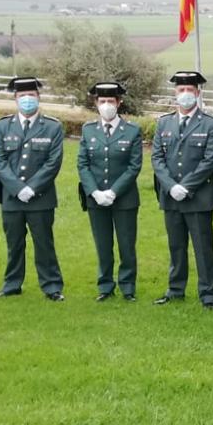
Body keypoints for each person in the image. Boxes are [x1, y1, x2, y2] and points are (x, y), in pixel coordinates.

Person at [150, 71, 213, 309]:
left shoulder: (211, 124)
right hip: (171, 197)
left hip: (199, 197)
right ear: (175, 93)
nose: (185, 94)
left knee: (203, 248)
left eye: (189, 90)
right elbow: (157, 158)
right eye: (181, 90)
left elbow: (210, 161)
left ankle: (209, 294)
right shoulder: (164, 122)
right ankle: (175, 289)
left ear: (198, 93)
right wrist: (171, 187)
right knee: (176, 246)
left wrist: (186, 186)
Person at [0, 77, 65, 301]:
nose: (27, 100)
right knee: (14, 243)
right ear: (15, 98)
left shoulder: (52, 126)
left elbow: (53, 162)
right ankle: (12, 284)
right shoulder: (3, 126)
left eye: (31, 95)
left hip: (40, 197)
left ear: (38, 98)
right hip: (11, 198)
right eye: (22, 96)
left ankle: (52, 286)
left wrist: (32, 188)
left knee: (44, 243)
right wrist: (16, 188)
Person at [78, 82, 143, 302]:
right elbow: (83, 165)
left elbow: (134, 167)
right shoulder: (88, 130)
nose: (107, 105)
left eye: (111, 101)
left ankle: (127, 287)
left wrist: (114, 192)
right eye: (102, 101)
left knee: (126, 244)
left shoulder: (132, 130)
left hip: (124, 199)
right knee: (103, 245)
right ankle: (105, 286)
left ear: (119, 103)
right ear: (96, 103)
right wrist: (94, 192)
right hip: (96, 199)